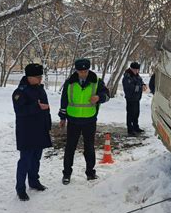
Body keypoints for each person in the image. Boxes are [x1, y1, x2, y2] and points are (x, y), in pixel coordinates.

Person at [58, 58, 109, 185]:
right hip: (73, 120)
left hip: (89, 120)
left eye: (85, 71)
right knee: (70, 148)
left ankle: (90, 173)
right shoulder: (70, 82)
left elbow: (107, 95)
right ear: (76, 71)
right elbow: (64, 100)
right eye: (80, 72)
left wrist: (99, 97)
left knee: (89, 148)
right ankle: (66, 174)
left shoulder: (96, 81)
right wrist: (62, 117)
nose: (83, 74)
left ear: (88, 70)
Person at [12, 63, 52, 201]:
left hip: (40, 129)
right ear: (29, 77)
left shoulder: (40, 89)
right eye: (37, 76)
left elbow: (46, 108)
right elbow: (20, 111)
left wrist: (48, 125)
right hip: (27, 131)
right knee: (25, 160)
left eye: (40, 76)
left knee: (36, 159)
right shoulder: (20, 92)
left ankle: (34, 181)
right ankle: (20, 188)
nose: (40, 79)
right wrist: (37, 107)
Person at [122, 62, 147, 136]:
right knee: (130, 114)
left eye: (138, 70)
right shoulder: (127, 76)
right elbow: (130, 88)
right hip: (130, 98)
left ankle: (136, 127)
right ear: (132, 69)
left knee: (136, 113)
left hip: (137, 98)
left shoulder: (137, 76)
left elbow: (140, 81)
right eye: (136, 70)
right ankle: (130, 129)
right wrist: (140, 88)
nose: (137, 71)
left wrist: (143, 85)